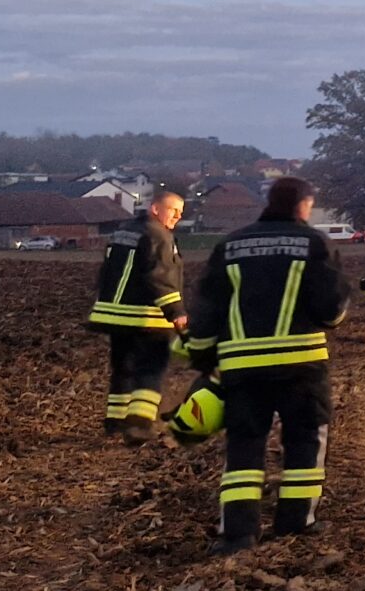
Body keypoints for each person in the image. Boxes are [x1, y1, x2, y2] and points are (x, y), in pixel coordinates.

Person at [186, 176, 347, 554]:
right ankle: (296, 524)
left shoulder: (230, 245)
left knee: (243, 447)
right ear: (303, 205)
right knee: (306, 442)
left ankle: (238, 536)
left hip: (243, 368)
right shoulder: (314, 243)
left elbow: (207, 308)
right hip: (301, 365)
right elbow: (331, 312)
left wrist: (205, 358)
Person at [88, 187, 189, 443]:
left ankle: (114, 422)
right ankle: (139, 424)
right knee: (151, 368)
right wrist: (175, 312)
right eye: (174, 211)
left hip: (114, 316)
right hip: (146, 317)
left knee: (123, 367)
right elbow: (160, 276)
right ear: (155, 209)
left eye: (180, 213)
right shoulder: (158, 235)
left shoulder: (123, 231)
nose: (177, 217)